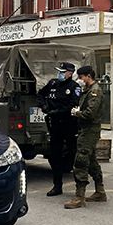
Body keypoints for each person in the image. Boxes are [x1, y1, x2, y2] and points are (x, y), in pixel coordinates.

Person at [64, 66, 106, 209]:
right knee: (92, 161)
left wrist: (77, 113)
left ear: (88, 76)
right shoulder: (88, 90)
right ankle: (100, 191)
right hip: (86, 130)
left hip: (89, 130)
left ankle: (79, 197)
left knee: (81, 161)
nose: (80, 80)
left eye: (81, 77)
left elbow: (90, 113)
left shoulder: (95, 91)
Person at [37, 62, 81, 197]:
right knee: (55, 155)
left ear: (70, 73)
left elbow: (73, 105)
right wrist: (44, 107)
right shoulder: (52, 84)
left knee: (74, 155)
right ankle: (57, 186)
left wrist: (56, 111)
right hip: (54, 125)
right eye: (59, 71)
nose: (60, 74)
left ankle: (79, 187)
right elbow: (40, 95)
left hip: (69, 125)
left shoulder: (74, 87)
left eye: (62, 71)